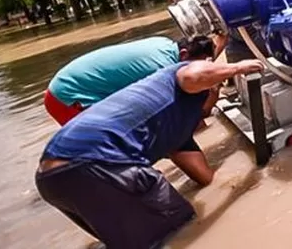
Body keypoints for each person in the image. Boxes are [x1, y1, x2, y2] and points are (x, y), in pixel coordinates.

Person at [36, 58, 265, 248]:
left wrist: (239, 187)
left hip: (52, 179)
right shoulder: (180, 76)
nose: (214, 106)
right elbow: (193, 75)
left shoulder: (175, 125)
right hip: (95, 162)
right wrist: (237, 67)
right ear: (210, 88)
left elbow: (205, 177)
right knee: (179, 226)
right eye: (216, 95)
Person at [43, 35, 227, 185]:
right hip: (69, 96)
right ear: (184, 55)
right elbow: (171, 127)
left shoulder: (165, 46)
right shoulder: (164, 70)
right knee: (109, 155)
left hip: (71, 85)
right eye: (199, 67)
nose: (200, 73)